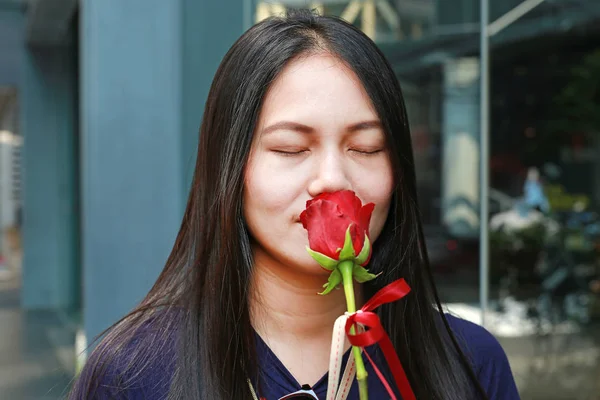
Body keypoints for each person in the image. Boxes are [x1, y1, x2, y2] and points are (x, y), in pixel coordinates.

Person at [70, 10, 520, 400]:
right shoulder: (132, 374)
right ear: (229, 169)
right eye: (289, 148)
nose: (333, 179)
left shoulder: (469, 364)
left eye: (365, 147)